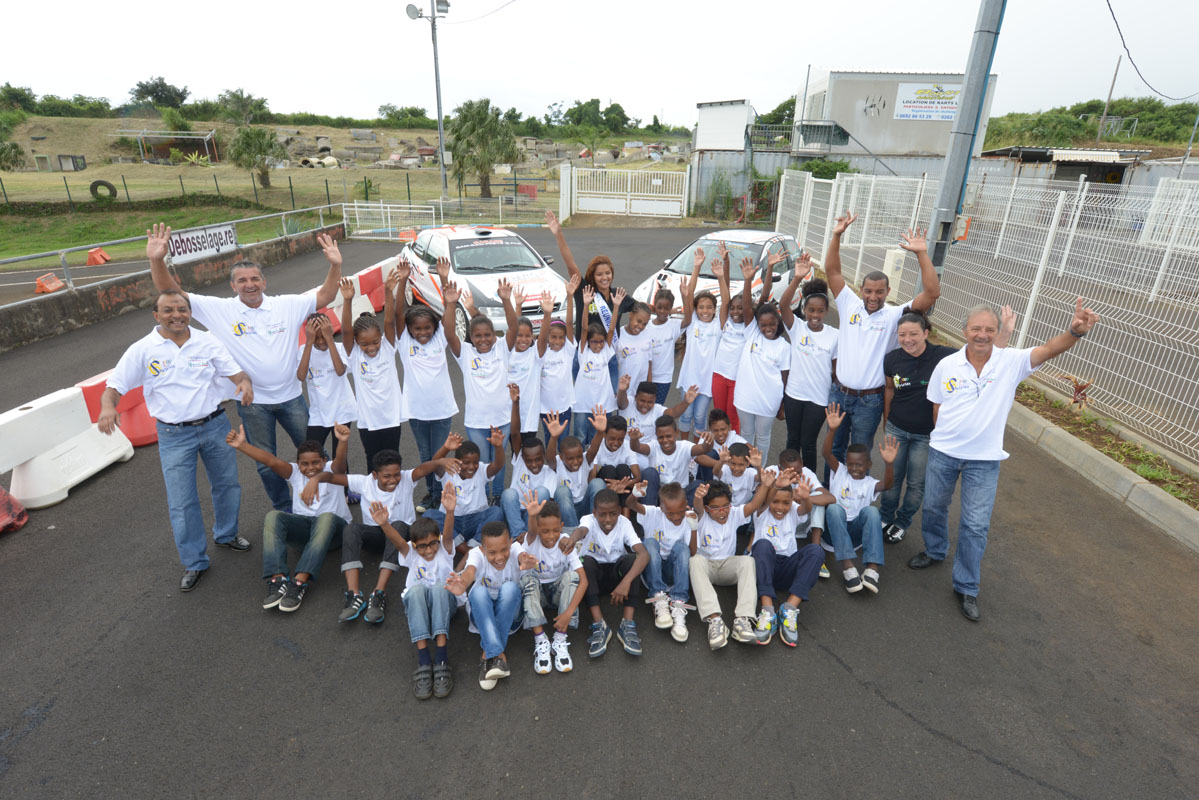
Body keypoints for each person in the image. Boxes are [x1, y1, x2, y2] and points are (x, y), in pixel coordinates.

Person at [909, 300, 1100, 622]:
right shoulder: (947, 365)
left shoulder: (1011, 361)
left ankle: (966, 585)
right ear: (965, 330)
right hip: (943, 453)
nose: (981, 335)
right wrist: (946, 437)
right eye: (976, 329)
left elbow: (1050, 349)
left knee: (975, 525)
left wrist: (1074, 332)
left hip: (984, 461)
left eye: (989, 330)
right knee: (933, 507)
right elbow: (937, 408)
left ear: (997, 333)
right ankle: (935, 549)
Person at [146, 224, 343, 511]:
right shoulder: (220, 309)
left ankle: (329, 502)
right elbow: (170, 292)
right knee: (266, 464)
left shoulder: (287, 304)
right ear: (233, 286)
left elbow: (325, 295)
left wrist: (335, 266)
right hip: (253, 405)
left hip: (292, 398)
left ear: (264, 282)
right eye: (241, 280)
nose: (249, 284)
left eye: (254, 279)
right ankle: (285, 509)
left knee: (317, 454)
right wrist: (156, 260)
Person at [100, 289, 254, 591]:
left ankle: (226, 534)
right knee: (182, 501)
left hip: (215, 425)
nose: (176, 315)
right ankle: (195, 561)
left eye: (182, 309)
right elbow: (113, 387)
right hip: (173, 434)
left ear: (190, 312)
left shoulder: (207, 341)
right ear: (156, 315)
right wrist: (108, 407)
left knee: (227, 485)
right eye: (168, 310)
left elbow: (236, 373)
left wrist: (244, 383)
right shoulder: (142, 349)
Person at [880, 308, 1014, 543]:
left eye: (913, 334)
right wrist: (886, 420)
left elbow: (988, 356)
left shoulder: (945, 357)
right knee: (892, 477)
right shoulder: (892, 358)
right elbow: (889, 389)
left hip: (927, 436)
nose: (907, 340)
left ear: (926, 333)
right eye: (902, 335)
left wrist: (1004, 334)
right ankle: (884, 516)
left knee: (916, 483)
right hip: (896, 429)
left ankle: (901, 522)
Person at [824, 220, 941, 480]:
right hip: (839, 394)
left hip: (870, 401)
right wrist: (836, 236)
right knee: (833, 450)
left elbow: (932, 292)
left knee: (860, 455)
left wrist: (921, 253)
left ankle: (855, 503)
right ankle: (830, 501)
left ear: (888, 291)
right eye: (868, 291)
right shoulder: (848, 304)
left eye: (879, 291)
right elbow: (832, 271)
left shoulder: (896, 315)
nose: (873, 296)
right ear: (861, 289)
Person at [310, 449, 458, 624]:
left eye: (396, 475)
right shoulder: (364, 482)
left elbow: (423, 468)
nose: (393, 480)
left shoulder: (406, 479)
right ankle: (354, 595)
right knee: (351, 529)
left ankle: (378, 593)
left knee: (399, 524)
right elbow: (332, 477)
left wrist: (440, 462)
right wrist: (315, 479)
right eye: (386, 476)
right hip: (376, 534)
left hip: (401, 540)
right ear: (374, 475)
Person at [226, 423, 352, 613]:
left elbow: (341, 463)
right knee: (273, 516)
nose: (310, 468)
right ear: (298, 464)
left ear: (324, 460)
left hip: (335, 533)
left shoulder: (332, 470)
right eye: (304, 464)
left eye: (316, 462)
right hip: (307, 534)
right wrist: (242, 445)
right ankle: (278, 580)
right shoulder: (294, 473)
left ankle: (300, 582)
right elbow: (271, 461)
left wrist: (343, 442)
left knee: (326, 517)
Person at [374, 490, 459, 699]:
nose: (428, 550)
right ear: (414, 546)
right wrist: (385, 524)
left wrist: (450, 511)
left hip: (445, 604)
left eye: (432, 543)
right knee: (416, 591)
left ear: (438, 541)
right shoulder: (411, 556)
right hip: (420, 607)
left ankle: (440, 658)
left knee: (440, 588)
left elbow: (448, 534)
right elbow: (398, 543)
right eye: (422, 546)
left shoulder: (445, 551)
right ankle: (423, 660)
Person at [395, 257, 459, 512]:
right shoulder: (404, 342)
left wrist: (445, 281)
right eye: (417, 329)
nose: (423, 332)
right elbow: (398, 313)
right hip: (417, 411)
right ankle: (432, 494)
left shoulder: (439, 339)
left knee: (440, 456)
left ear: (435, 328)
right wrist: (402, 282)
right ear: (409, 330)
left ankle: (443, 494)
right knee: (426, 456)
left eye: (428, 328)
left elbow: (449, 315)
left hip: (442, 409)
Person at [546, 210, 634, 391]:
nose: (604, 277)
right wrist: (558, 234)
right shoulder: (585, 290)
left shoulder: (618, 295)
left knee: (610, 400)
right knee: (582, 403)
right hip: (584, 356)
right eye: (599, 274)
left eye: (608, 273)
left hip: (608, 357)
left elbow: (641, 309)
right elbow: (570, 264)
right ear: (592, 275)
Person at [442, 279, 510, 501]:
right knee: (480, 464)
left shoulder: (502, 348)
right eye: (478, 336)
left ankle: (498, 497)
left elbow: (515, 326)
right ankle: (481, 498)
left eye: (487, 335)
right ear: (471, 337)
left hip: (502, 419)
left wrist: (506, 300)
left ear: (495, 335)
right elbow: (450, 333)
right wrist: (451, 304)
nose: (483, 340)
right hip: (476, 422)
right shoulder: (466, 353)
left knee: (498, 462)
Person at [690, 475, 774, 649]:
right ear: (707, 508)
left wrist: (765, 486)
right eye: (715, 508)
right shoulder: (702, 515)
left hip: (727, 566)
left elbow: (754, 505)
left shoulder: (734, 514)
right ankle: (715, 621)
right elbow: (697, 507)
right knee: (695, 560)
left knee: (747, 561)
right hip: (706, 568)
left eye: (725, 506)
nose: (722, 511)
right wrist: (698, 497)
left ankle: (742, 621)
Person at [822, 403, 898, 595]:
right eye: (851, 464)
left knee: (872, 511)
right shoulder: (840, 472)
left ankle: (872, 569)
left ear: (869, 465)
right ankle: (848, 567)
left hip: (854, 534)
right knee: (833, 508)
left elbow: (888, 485)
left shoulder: (870, 483)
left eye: (859, 465)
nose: (854, 468)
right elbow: (826, 453)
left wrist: (889, 464)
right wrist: (832, 430)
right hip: (833, 530)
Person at [749, 471, 831, 647]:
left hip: (786, 567)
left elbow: (805, 509)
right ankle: (768, 610)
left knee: (816, 551)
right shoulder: (761, 512)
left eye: (786, 503)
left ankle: (789, 608)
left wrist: (806, 498)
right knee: (763, 544)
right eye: (775, 501)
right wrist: (775, 486)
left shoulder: (793, 510)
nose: (780, 507)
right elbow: (764, 501)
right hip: (763, 568)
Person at [568, 489, 649, 658]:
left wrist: (626, 582)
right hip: (595, 576)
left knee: (632, 560)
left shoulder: (624, 523)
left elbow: (644, 554)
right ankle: (599, 624)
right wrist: (572, 539)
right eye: (602, 515)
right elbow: (581, 531)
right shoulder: (587, 520)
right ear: (594, 513)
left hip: (616, 578)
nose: (608, 520)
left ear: (619, 512)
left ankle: (627, 623)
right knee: (585, 561)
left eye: (613, 514)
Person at [446, 520, 525, 690]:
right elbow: (469, 572)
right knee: (478, 592)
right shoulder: (475, 553)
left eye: (504, 550)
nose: (499, 557)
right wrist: (463, 583)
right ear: (482, 550)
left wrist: (526, 561)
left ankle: (488, 655)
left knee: (511, 588)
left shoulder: (516, 548)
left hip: (511, 616)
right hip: (482, 616)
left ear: (510, 543)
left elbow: (522, 556)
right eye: (492, 552)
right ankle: (498, 655)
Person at [339, 270, 404, 472]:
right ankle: (374, 499)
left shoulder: (387, 347)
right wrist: (347, 300)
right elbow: (346, 331)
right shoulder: (355, 354)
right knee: (373, 462)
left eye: (375, 341)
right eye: (365, 344)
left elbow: (389, 322)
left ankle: (394, 499)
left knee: (393, 458)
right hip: (368, 423)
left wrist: (388, 292)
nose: (372, 347)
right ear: (357, 343)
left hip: (392, 418)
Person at [517, 495, 587, 675]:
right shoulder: (532, 541)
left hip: (556, 594)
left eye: (555, 530)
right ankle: (540, 639)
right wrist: (532, 516)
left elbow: (583, 580)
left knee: (572, 576)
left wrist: (568, 613)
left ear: (562, 527)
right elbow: (532, 532)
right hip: (537, 595)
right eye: (544, 531)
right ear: (537, 529)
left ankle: (560, 639)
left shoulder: (565, 542)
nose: (550, 536)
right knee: (528, 579)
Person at [779, 271, 838, 476]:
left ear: (827, 311)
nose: (815, 315)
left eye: (820, 311)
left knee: (809, 443)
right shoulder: (797, 328)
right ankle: (789, 478)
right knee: (793, 440)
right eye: (811, 310)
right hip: (794, 394)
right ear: (803, 309)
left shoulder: (834, 336)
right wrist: (796, 279)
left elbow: (836, 371)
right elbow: (783, 306)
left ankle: (809, 483)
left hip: (818, 399)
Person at [625, 481, 694, 643]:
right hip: (652, 571)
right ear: (661, 508)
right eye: (670, 513)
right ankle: (659, 597)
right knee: (649, 542)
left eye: (680, 512)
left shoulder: (688, 519)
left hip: (672, 573)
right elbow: (630, 504)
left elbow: (693, 552)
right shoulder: (654, 514)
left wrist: (694, 528)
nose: (676, 517)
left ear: (686, 505)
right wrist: (635, 494)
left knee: (683, 548)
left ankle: (679, 604)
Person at [424, 435, 505, 560]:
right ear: (457, 461)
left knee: (496, 512)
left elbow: (498, 465)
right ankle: (466, 550)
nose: (471, 467)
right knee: (429, 515)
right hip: (452, 522)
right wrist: (446, 448)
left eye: (475, 462)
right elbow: (435, 464)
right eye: (466, 463)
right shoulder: (448, 470)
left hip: (476, 521)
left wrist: (498, 446)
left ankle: (473, 544)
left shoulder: (482, 470)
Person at [296, 314, 357, 480]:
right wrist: (309, 342)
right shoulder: (303, 350)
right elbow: (301, 376)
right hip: (318, 414)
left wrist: (330, 340)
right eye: (317, 338)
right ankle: (316, 487)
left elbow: (340, 370)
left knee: (340, 453)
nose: (321, 341)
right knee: (311, 452)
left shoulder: (338, 347)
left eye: (324, 336)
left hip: (342, 410)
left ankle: (344, 492)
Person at [499, 385, 560, 540]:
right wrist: (515, 404)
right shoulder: (519, 462)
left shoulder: (549, 472)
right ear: (522, 458)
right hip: (514, 514)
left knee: (543, 492)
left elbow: (547, 502)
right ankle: (519, 535)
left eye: (538, 459)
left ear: (544, 457)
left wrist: (553, 437)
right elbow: (514, 433)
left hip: (533, 517)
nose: (534, 464)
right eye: (529, 461)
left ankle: (528, 534)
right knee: (508, 494)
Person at [675, 250, 720, 439]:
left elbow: (725, 304)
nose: (705, 311)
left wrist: (721, 275)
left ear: (715, 309)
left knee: (700, 417)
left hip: (707, 381)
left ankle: (696, 452)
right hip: (689, 378)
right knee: (685, 415)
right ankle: (684, 449)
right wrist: (697, 266)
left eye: (709, 307)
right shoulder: (692, 320)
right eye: (701, 307)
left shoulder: (719, 325)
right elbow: (690, 293)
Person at [571, 286, 622, 445]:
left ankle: (595, 467)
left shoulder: (606, 350)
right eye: (594, 341)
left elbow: (611, 328)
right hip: (582, 403)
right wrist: (586, 305)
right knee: (580, 437)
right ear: (588, 342)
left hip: (603, 404)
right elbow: (585, 328)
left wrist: (616, 307)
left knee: (597, 439)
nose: (598, 345)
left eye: (601, 341)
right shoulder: (583, 351)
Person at [627, 414, 712, 506]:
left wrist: (708, 440)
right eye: (661, 437)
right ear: (656, 436)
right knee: (649, 472)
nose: (665, 440)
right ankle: (649, 512)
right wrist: (634, 440)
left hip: (680, 492)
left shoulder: (685, 446)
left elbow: (704, 448)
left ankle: (689, 516)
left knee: (698, 484)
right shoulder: (653, 446)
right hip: (659, 492)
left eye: (668, 436)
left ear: (676, 433)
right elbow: (637, 447)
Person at [504, 284, 553, 436]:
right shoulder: (505, 351)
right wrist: (517, 305)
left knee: (528, 455)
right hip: (505, 415)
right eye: (519, 336)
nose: (523, 340)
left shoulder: (535, 355)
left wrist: (547, 314)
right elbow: (515, 327)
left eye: (528, 336)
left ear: (533, 336)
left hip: (528, 419)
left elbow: (543, 338)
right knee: (513, 453)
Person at [543, 413, 605, 529]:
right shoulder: (557, 463)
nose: (576, 461)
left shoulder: (586, 460)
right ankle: (574, 534)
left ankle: (595, 528)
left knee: (598, 483)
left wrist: (600, 432)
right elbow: (549, 457)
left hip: (585, 506)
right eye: (570, 458)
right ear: (561, 457)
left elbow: (594, 448)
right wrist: (554, 437)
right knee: (562, 491)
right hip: (565, 510)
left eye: (578, 457)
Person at [709, 246, 747, 432]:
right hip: (719, 375)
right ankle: (718, 451)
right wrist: (726, 263)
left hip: (737, 379)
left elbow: (745, 303)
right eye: (733, 308)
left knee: (733, 418)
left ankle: (734, 453)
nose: (735, 311)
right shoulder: (726, 322)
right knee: (718, 414)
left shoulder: (749, 327)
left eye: (740, 308)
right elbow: (725, 299)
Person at [540, 275, 581, 446]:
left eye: (561, 338)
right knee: (550, 442)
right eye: (553, 337)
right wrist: (547, 314)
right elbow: (542, 336)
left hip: (564, 407)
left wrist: (570, 296)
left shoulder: (568, 351)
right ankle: (552, 471)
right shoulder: (541, 352)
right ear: (547, 337)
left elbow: (570, 323)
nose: (557, 341)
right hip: (545, 409)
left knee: (563, 444)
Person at [646, 282, 682, 404]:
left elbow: (688, 319)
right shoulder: (646, 325)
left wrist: (685, 295)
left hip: (664, 378)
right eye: (659, 307)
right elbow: (638, 306)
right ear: (654, 306)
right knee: (643, 409)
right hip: (645, 376)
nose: (663, 311)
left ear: (671, 307)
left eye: (667, 308)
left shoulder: (674, 325)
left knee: (657, 409)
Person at [616, 302, 654, 389]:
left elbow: (649, 361)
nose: (640, 326)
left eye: (644, 324)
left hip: (640, 391)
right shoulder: (619, 335)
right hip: (622, 390)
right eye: (639, 321)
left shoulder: (648, 334)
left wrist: (649, 385)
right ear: (631, 315)